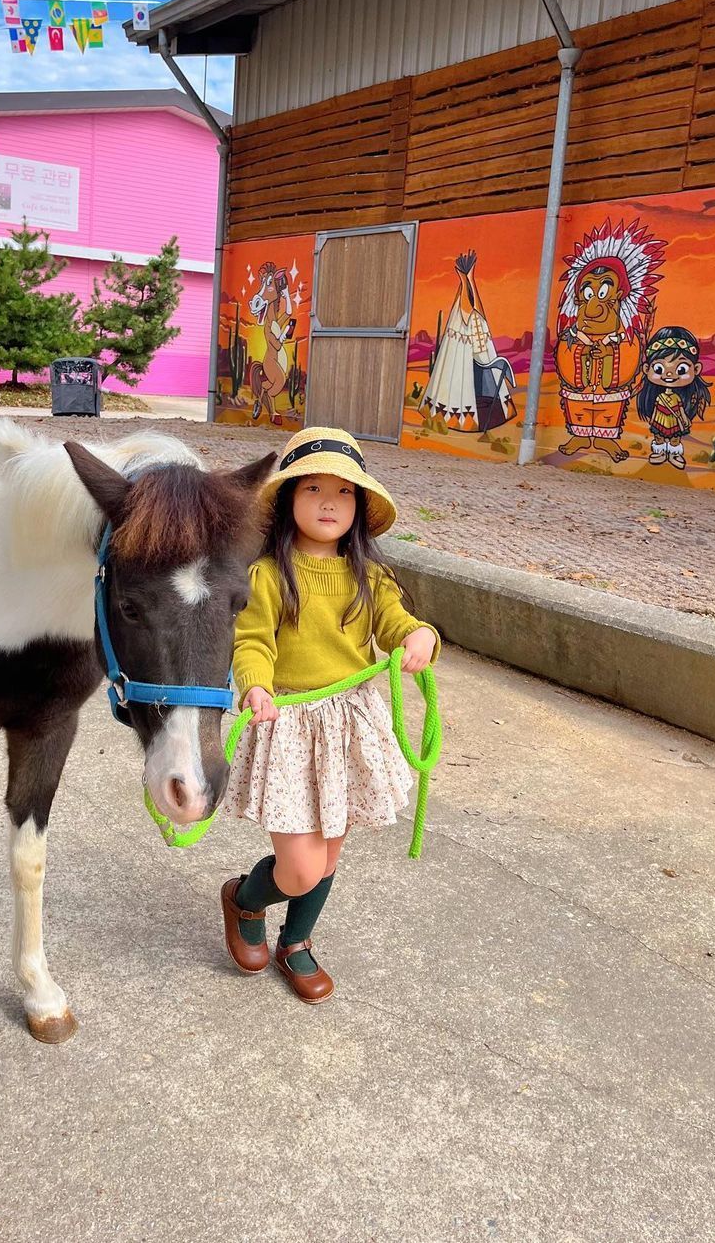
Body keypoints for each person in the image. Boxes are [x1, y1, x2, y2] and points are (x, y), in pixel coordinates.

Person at [219, 427, 440, 1003]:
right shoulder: (268, 574)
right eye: (312, 487)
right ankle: (245, 898)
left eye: (343, 492)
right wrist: (256, 685)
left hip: (349, 723)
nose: (327, 502)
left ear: (360, 506)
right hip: (288, 722)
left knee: (330, 848)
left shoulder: (370, 576)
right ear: (289, 499)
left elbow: (394, 622)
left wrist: (419, 635)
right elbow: (252, 642)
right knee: (299, 867)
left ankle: (297, 941)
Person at [636, 326, 711, 470]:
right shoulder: (659, 397)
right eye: (660, 368)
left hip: (674, 421)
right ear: (646, 369)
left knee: (675, 438)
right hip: (660, 420)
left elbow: (680, 410)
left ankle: (674, 454)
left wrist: (685, 419)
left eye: (681, 369)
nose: (669, 374)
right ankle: (660, 453)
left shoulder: (678, 398)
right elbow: (656, 410)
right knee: (659, 436)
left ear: (696, 370)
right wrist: (652, 421)